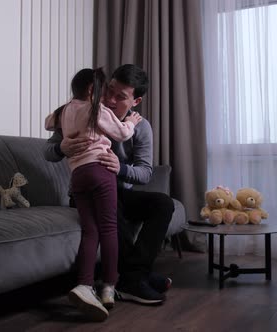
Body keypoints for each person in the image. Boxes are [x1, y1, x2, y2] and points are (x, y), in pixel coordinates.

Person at [44, 64, 175, 306]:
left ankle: (135, 275)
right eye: (109, 91)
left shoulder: (140, 127)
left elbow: (145, 173)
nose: (110, 100)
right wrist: (60, 148)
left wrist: (121, 168)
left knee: (164, 204)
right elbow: (48, 152)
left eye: (120, 97)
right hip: (90, 191)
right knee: (113, 213)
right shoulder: (87, 110)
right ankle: (135, 280)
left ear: (136, 101)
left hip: (119, 190)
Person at [45, 67, 142, 321]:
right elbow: (121, 133)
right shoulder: (97, 109)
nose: (106, 97)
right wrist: (130, 122)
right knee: (109, 229)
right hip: (101, 170)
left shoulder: (65, 110)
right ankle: (109, 286)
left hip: (78, 176)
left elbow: (47, 122)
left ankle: (84, 284)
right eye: (102, 91)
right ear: (91, 91)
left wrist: (64, 135)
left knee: (91, 231)